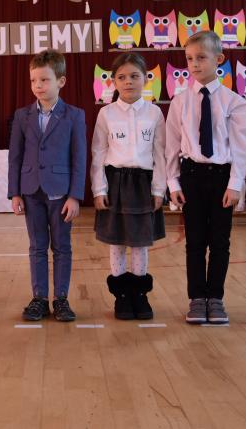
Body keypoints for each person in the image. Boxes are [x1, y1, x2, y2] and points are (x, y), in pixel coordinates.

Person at [165, 31, 246, 324]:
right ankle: (196, 299)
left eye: (201, 57)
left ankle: (215, 298)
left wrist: (236, 184)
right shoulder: (179, 102)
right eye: (190, 59)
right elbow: (171, 145)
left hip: (222, 177)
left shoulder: (235, 102)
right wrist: (173, 182)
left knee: (219, 241)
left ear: (219, 59)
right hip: (191, 175)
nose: (194, 64)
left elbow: (241, 148)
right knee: (194, 242)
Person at [8, 49, 86, 322]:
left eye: (44, 80)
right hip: (31, 191)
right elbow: (15, 156)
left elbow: (79, 157)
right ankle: (39, 298)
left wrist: (75, 196)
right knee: (37, 246)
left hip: (61, 193)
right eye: (33, 80)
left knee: (62, 246)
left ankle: (61, 299)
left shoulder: (74, 115)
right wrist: (15, 192)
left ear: (61, 81)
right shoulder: (22, 116)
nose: (38, 86)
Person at [91, 52, 165, 320]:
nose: (128, 82)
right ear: (113, 81)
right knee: (117, 242)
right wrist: (99, 189)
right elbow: (98, 153)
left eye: (134, 76)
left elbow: (160, 154)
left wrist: (159, 189)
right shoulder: (106, 114)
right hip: (116, 183)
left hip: (143, 184)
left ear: (146, 78)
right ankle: (122, 296)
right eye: (121, 77)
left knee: (140, 242)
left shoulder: (155, 113)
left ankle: (140, 295)